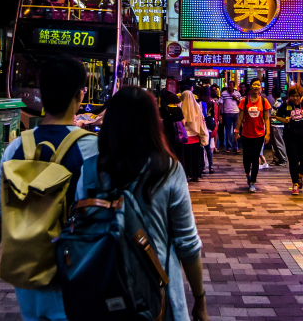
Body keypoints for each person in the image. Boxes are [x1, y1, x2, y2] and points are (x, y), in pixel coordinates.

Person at [0, 56, 99, 320]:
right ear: (79, 95)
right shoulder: (91, 148)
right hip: (73, 277)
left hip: (26, 279)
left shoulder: (16, 147)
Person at [76, 86, 208, 321]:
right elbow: (187, 243)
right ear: (151, 122)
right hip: (158, 297)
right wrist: (199, 298)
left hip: (100, 293)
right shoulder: (167, 169)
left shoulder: (89, 170)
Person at [274, 85, 303, 195]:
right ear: (289, 96)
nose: (295, 98)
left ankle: (300, 175)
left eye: (297, 96)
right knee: (293, 160)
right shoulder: (286, 104)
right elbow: (276, 116)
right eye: (293, 96)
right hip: (290, 136)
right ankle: (295, 183)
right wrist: (285, 120)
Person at [235, 79, 272, 192]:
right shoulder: (244, 101)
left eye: (258, 85)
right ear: (250, 87)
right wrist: (236, 131)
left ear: (261, 87)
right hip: (246, 134)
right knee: (246, 158)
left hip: (259, 135)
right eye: (254, 85)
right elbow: (240, 117)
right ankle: (248, 173)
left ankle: (252, 182)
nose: (256, 87)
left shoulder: (264, 101)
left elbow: (266, 118)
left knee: (255, 158)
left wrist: (268, 133)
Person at [180, 86, 208, 182]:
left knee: (186, 158)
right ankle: (196, 175)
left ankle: (186, 174)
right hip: (195, 137)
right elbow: (201, 121)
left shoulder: (180, 106)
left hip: (184, 138)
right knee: (196, 158)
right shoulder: (197, 106)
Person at [160, 89, 187, 165]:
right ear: (176, 101)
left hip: (166, 134)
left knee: (168, 153)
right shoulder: (178, 109)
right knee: (180, 154)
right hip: (178, 135)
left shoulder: (162, 109)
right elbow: (183, 123)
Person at [197, 85, 218, 174]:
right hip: (209, 126)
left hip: (200, 126)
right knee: (208, 147)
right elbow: (214, 116)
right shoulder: (212, 103)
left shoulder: (198, 102)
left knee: (201, 147)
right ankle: (211, 166)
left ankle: (202, 167)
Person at [220, 81, 241, 152]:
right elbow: (220, 104)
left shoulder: (237, 94)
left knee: (236, 130)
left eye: (231, 85)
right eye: (228, 85)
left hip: (236, 113)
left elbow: (241, 103)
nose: (229, 87)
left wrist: (236, 99)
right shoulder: (223, 94)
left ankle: (235, 147)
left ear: (234, 86)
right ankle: (228, 147)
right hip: (227, 113)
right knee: (228, 131)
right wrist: (220, 114)